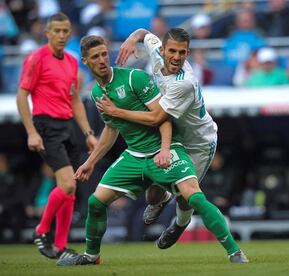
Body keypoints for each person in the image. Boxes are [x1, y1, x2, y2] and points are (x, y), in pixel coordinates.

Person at [56, 35, 248, 265]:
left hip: (171, 147)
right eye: (95, 56)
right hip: (134, 155)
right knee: (96, 202)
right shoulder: (98, 94)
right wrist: (91, 161)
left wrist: (165, 149)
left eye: (104, 54)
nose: (102, 60)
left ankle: (234, 252)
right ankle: (91, 256)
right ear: (85, 61)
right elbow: (111, 128)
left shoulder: (135, 78)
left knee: (193, 197)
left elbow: (162, 118)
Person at [101, 27, 225, 252]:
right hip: (176, 135)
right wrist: (131, 40)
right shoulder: (156, 51)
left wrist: (117, 112)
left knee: (187, 194)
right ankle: (160, 201)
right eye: (173, 51)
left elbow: (157, 117)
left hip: (199, 142)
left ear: (187, 53)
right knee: (152, 195)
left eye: (182, 52)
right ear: (163, 49)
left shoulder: (183, 82)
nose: (176, 57)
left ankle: (179, 225)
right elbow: (142, 32)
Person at [16, 12, 98, 259]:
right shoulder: (36, 59)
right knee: (67, 184)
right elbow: (22, 96)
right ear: (47, 33)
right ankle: (41, 231)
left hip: (67, 126)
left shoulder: (72, 62)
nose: (62, 35)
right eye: (57, 31)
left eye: (66, 31)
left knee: (71, 189)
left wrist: (88, 133)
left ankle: (61, 247)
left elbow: (75, 101)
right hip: (45, 125)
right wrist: (31, 132)